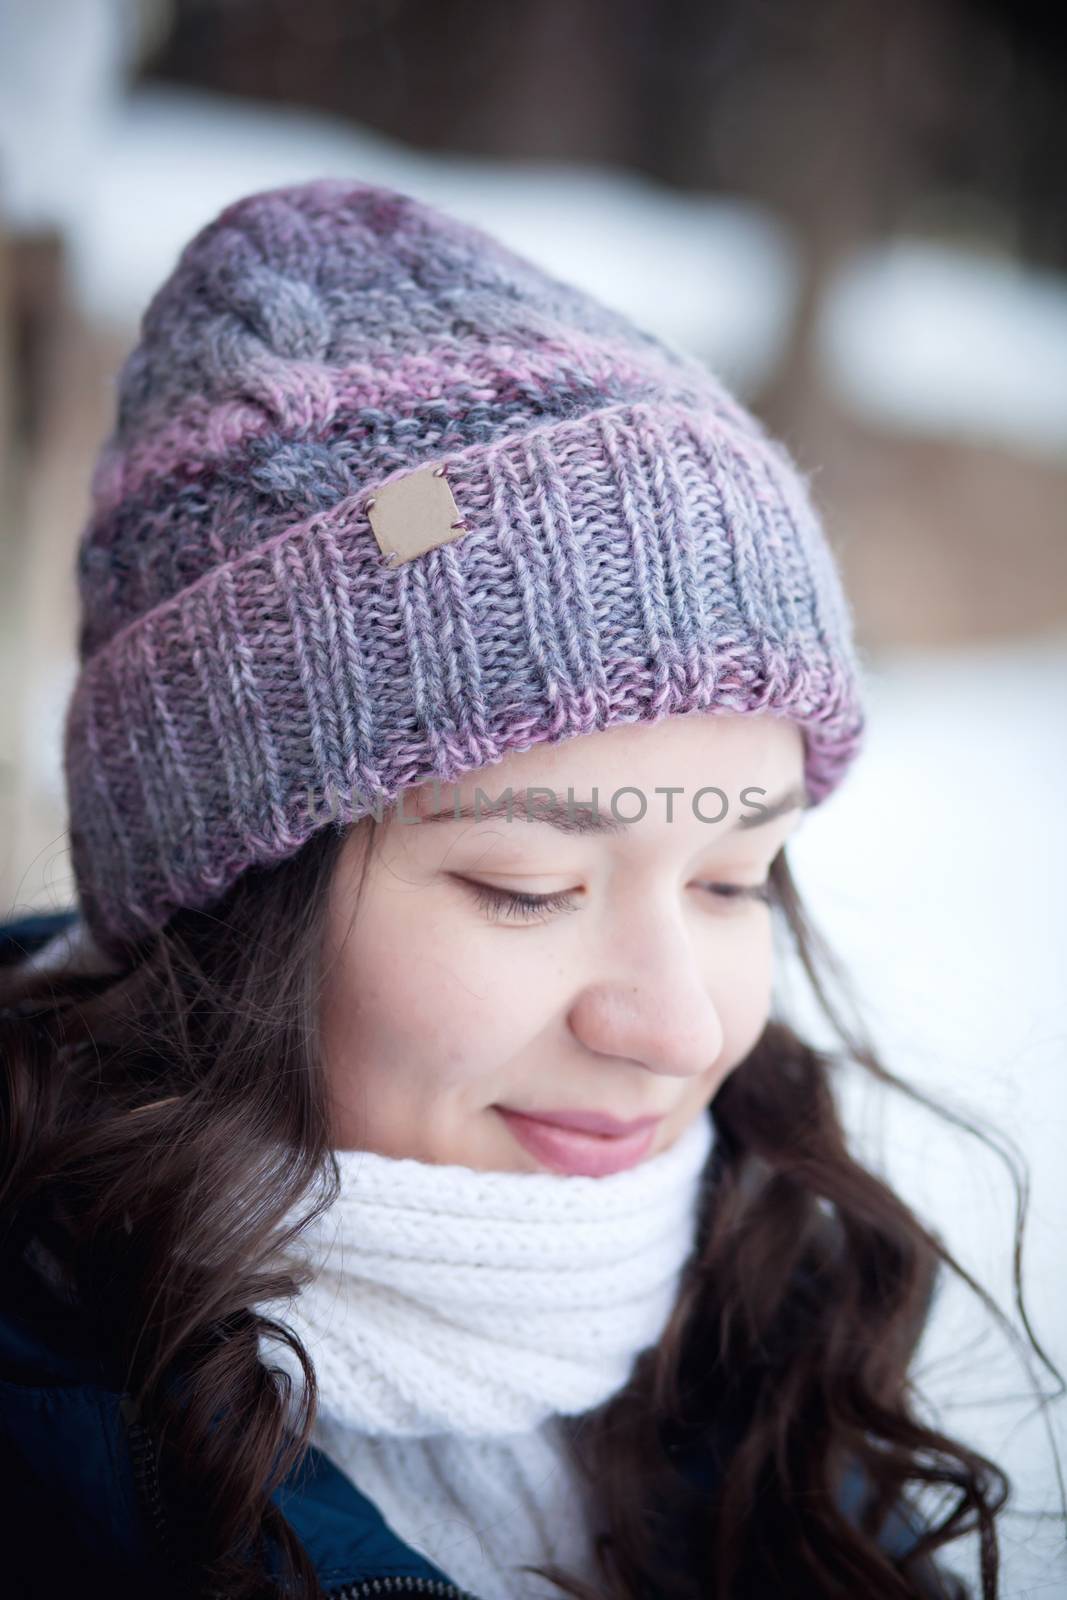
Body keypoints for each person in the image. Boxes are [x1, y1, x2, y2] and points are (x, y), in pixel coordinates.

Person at [0, 177, 1022, 1600]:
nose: (676, 1031)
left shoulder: (777, 1339)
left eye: (737, 880)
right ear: (224, 899)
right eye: (527, 886)